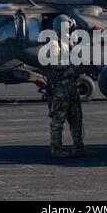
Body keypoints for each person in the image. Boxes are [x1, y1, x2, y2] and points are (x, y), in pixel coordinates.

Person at [43, 14, 99, 158]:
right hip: (61, 87)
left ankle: (78, 147)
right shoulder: (55, 43)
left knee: (76, 117)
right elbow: (54, 64)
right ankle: (56, 149)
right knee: (58, 118)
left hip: (71, 85)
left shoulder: (67, 42)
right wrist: (72, 68)